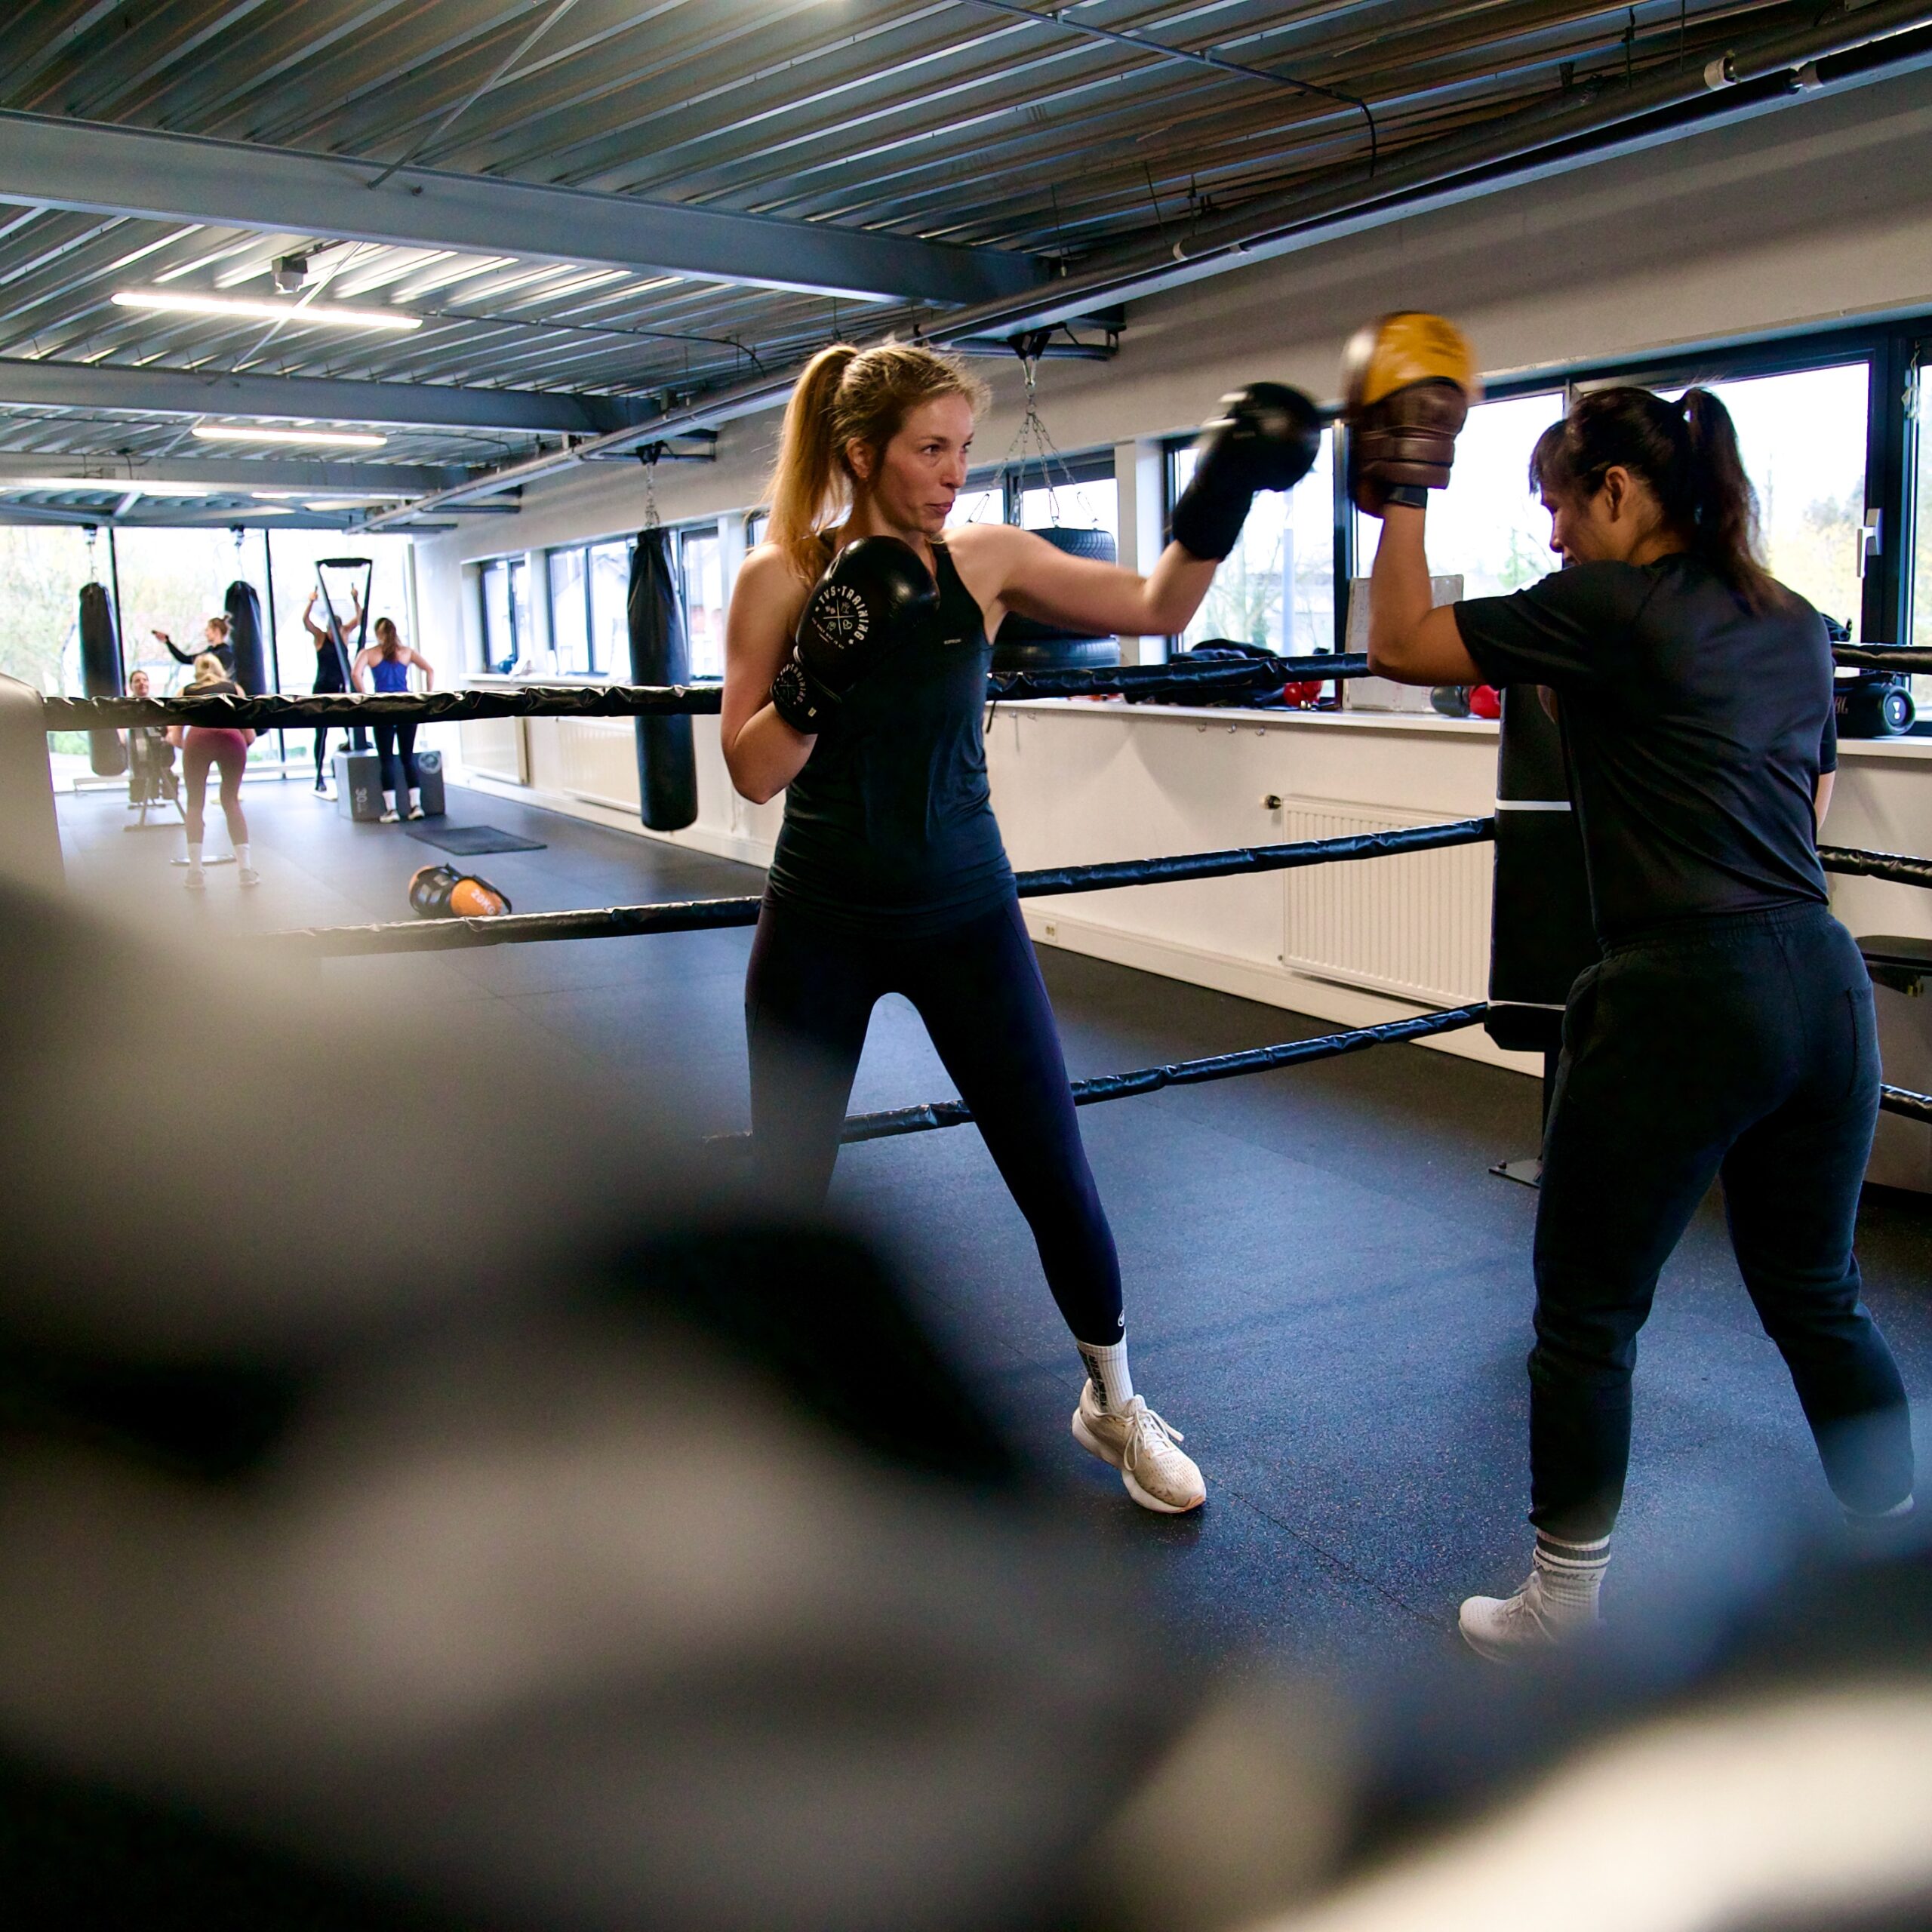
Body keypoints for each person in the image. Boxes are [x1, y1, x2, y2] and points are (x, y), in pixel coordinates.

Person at [1351, 315, 1916, 1656]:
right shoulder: (1796, 621)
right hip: (1822, 983)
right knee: (1819, 1294)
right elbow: (1805, 798)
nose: (1553, 539)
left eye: (1558, 507)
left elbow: (1402, 643)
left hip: (1686, 996)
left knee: (1590, 1315)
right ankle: (1907, 1563)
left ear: (1616, 491)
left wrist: (1405, 485)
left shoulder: (1610, 606)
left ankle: (1561, 1607)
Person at [721, 340, 1320, 1513]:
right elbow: (750, 771)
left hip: (964, 914)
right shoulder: (779, 577)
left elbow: (1158, 606)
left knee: (1055, 1172)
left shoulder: (983, 561)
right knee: (787, 1190)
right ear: (863, 454)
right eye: (930, 450)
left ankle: (1113, 1404)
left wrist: (1227, 482)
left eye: (963, 449)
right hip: (822, 919)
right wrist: (815, 677)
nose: (954, 474)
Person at [165, 651, 257, 890]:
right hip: (232, 738)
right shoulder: (234, 689)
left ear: (197, 672)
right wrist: (233, 741)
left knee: (195, 804)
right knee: (231, 801)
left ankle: (195, 872)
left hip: (198, 738)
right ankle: (246, 871)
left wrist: (194, 747)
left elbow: (175, 737)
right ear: (221, 670)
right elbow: (250, 736)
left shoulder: (185, 691)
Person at [352, 617, 435, 822]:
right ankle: (416, 806)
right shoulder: (406, 652)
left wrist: (366, 698)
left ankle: (392, 810)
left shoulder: (369, 653)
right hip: (407, 707)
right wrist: (428, 697)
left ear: (378, 634)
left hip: (383, 709)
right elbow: (430, 670)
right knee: (408, 758)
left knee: (387, 760)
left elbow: (355, 674)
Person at [303, 585, 358, 797]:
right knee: (322, 734)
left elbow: (359, 619)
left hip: (341, 690)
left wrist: (355, 599)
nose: (334, 635)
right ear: (328, 629)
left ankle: (352, 768)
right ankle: (319, 776)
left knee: (350, 729)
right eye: (332, 632)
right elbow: (305, 621)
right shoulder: (320, 637)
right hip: (322, 690)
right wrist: (311, 601)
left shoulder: (344, 635)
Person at [121, 667, 174, 812]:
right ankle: (140, 797)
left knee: (162, 766)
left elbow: (168, 720)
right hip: (137, 742)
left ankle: (160, 792)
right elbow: (119, 725)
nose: (142, 683)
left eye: (144, 680)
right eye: (137, 681)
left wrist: (170, 734)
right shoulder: (126, 705)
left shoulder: (157, 703)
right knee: (140, 770)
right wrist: (121, 738)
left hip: (157, 743)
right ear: (131, 685)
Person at [153, 614, 233, 676]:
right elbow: (185, 659)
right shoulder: (210, 651)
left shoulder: (225, 653)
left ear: (216, 631)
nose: (206, 633)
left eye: (207, 630)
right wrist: (167, 642)